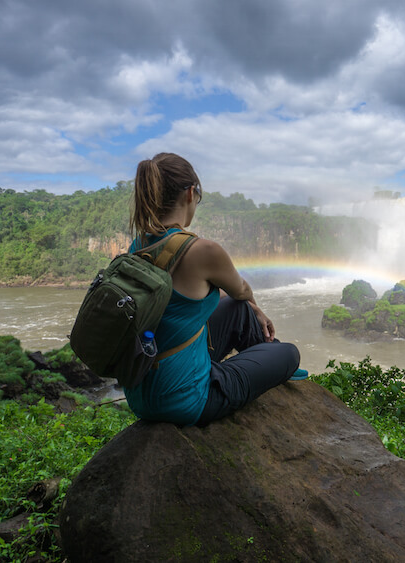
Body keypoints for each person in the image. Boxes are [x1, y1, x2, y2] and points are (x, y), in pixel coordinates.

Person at [124, 152, 307, 427]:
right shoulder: (202, 250)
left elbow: (194, 295)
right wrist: (256, 307)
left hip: (141, 395)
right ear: (190, 193)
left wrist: (249, 308)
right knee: (289, 354)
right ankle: (273, 361)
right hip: (186, 401)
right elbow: (241, 289)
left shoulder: (140, 246)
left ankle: (264, 358)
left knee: (237, 308)